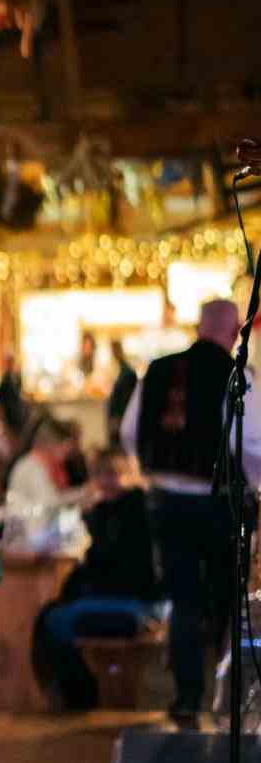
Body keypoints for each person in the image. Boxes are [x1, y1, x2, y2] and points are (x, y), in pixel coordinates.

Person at [121, 298, 261, 725]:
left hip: (166, 500)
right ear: (235, 329)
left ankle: (186, 698)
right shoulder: (235, 375)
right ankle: (225, 699)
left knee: (182, 600)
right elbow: (253, 440)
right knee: (223, 596)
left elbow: (129, 432)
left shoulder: (157, 370)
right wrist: (254, 483)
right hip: (217, 503)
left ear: (199, 326)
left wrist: (152, 470)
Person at [38, 447, 159, 708]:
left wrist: (92, 517)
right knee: (51, 613)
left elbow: (112, 564)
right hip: (120, 595)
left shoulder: (134, 509)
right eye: (101, 475)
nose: (107, 481)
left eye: (114, 474)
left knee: (53, 620)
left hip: (132, 602)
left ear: (130, 476)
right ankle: (81, 693)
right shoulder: (113, 509)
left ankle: (82, 697)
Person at [106, 339, 137, 446]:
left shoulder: (126, 373)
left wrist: (116, 418)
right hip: (121, 418)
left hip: (120, 418)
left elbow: (122, 399)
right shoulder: (124, 370)